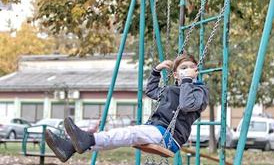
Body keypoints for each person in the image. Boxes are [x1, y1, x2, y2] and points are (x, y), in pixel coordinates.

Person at [45, 52, 209, 162]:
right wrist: (156, 71)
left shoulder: (199, 91)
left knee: (130, 133)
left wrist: (187, 81)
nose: (187, 71)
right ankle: (70, 148)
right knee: (125, 135)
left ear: (196, 72)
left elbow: (187, 105)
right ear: (175, 74)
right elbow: (151, 90)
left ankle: (88, 138)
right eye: (183, 68)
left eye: (191, 68)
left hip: (170, 137)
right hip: (156, 129)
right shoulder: (170, 90)